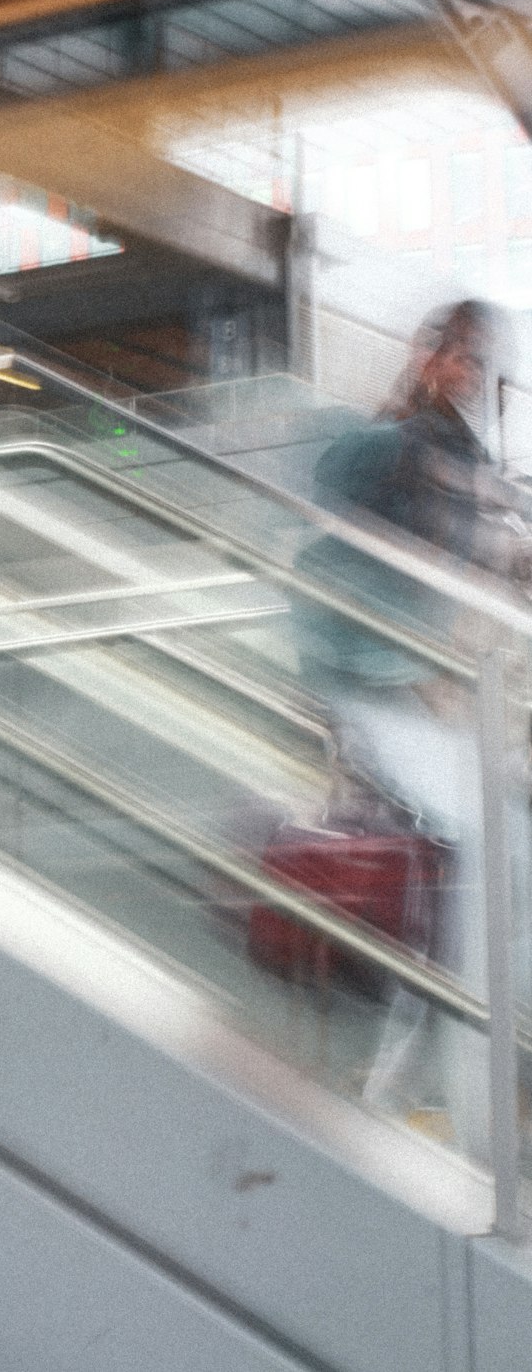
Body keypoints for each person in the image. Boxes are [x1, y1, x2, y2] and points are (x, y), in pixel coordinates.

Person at [294, 299, 531, 1160]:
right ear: (426, 355)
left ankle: (406, 1091)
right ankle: (462, 1111)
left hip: (458, 718)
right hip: (383, 701)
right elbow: (321, 553)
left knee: (476, 889)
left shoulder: (480, 468)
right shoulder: (380, 451)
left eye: (483, 360)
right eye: (456, 355)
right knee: (488, 863)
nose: (470, 374)